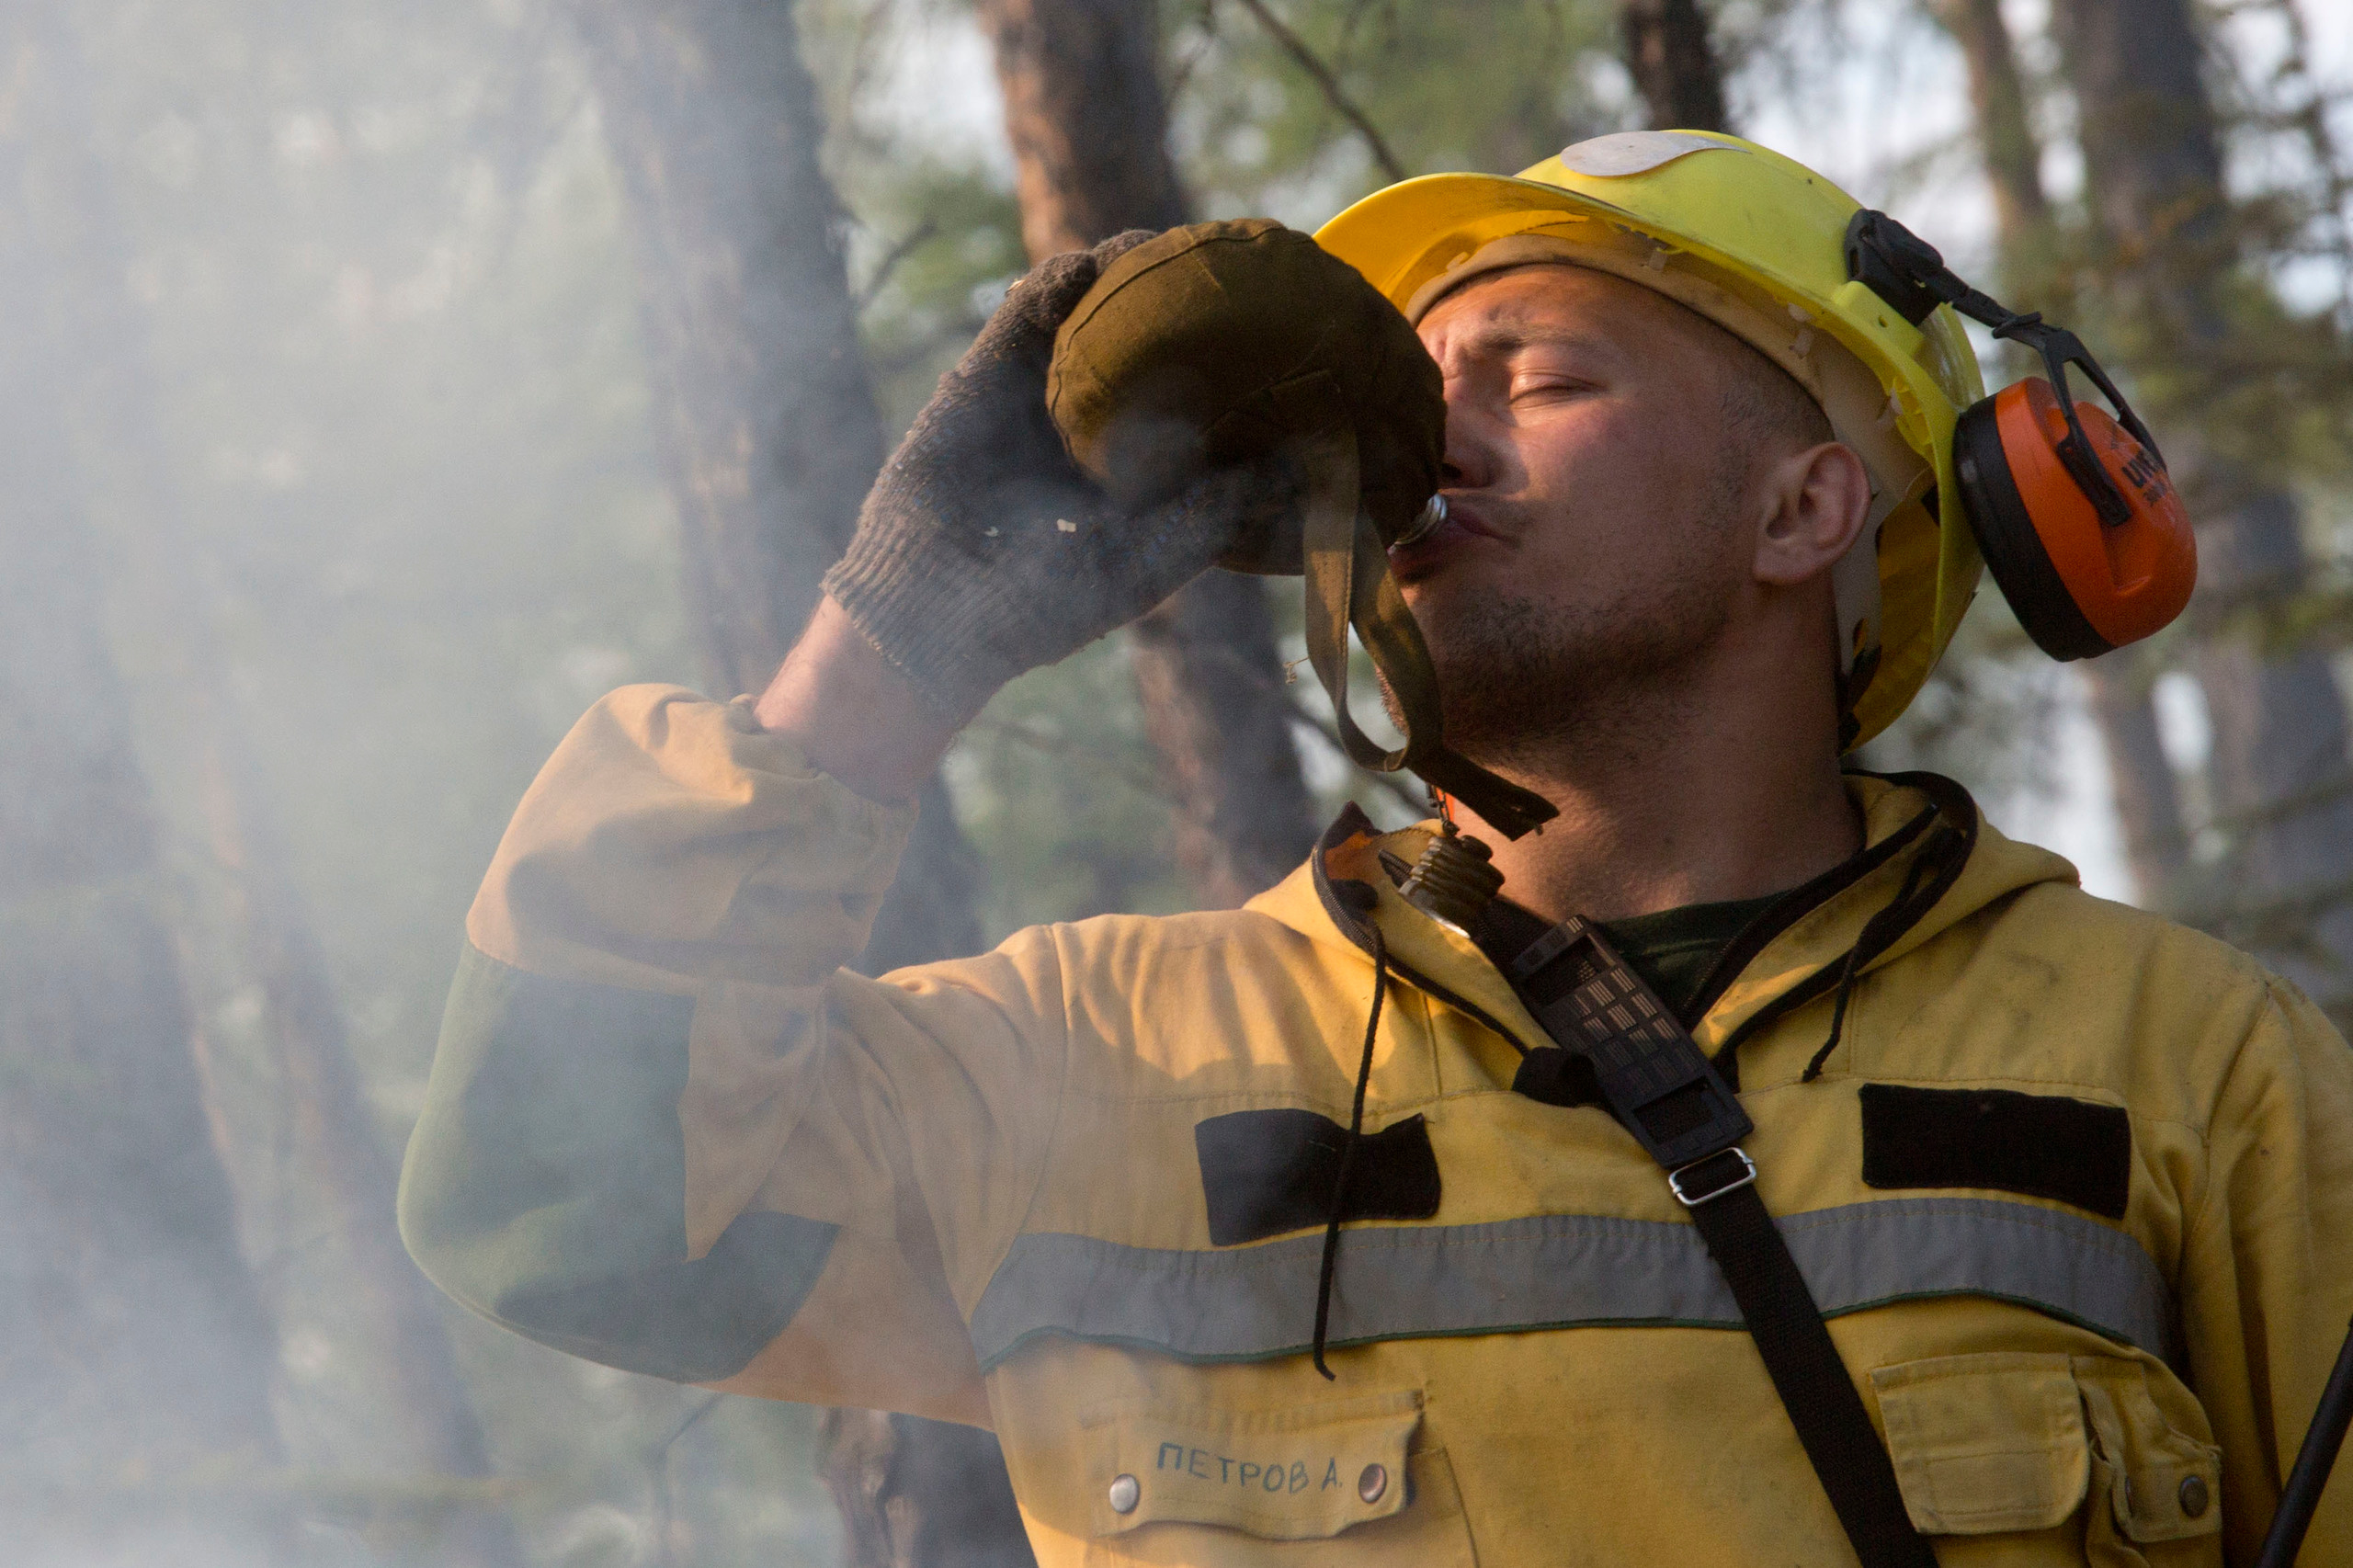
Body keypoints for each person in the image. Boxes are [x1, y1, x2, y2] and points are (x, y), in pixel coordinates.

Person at [399, 131, 2353, 1564]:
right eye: (1420, 404)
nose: (1442, 451)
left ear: (1802, 508)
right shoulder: (1098, 1060)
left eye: (1543, 379)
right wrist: (897, 648)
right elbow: (553, 1211)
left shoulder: (2180, 1072)